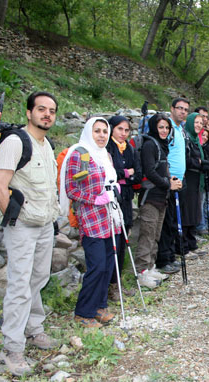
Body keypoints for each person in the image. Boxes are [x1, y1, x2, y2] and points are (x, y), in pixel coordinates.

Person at [0, 91, 60, 376]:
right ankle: (12, 348)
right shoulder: (14, 142)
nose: (47, 114)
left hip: (44, 224)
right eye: (41, 109)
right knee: (20, 284)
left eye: (52, 111)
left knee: (38, 277)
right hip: (22, 226)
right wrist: (14, 220)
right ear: (29, 112)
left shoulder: (47, 144)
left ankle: (34, 329)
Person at [61, 117, 119, 329]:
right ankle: (83, 312)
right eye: (97, 131)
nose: (102, 135)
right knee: (97, 266)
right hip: (91, 218)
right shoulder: (80, 154)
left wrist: (115, 189)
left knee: (108, 265)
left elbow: (111, 180)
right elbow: (72, 189)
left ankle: (99, 306)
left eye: (105, 131)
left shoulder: (106, 155)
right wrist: (95, 198)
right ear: (88, 132)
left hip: (110, 218)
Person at [135, 114, 181, 289]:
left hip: (162, 197)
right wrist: (168, 184)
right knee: (147, 235)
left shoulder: (162, 146)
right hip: (150, 197)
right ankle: (141, 272)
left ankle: (150, 267)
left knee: (155, 235)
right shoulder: (149, 145)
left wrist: (172, 180)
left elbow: (162, 170)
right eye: (161, 127)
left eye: (167, 128)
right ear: (154, 127)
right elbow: (150, 172)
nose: (164, 131)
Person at [106, 115, 141, 301]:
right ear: (112, 128)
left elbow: (139, 172)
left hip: (126, 199)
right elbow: (110, 174)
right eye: (120, 129)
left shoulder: (130, 149)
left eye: (126, 130)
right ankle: (110, 285)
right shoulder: (107, 148)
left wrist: (124, 176)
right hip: (113, 200)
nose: (123, 133)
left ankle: (117, 283)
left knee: (123, 241)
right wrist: (127, 174)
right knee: (115, 242)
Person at [155, 97, 189, 274]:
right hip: (169, 180)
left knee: (174, 220)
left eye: (185, 109)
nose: (182, 112)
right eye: (180, 108)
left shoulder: (180, 129)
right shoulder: (167, 128)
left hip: (179, 180)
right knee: (167, 221)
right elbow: (163, 153)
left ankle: (170, 255)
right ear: (172, 109)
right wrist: (169, 178)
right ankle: (163, 259)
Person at [180, 112, 205, 259]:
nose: (199, 125)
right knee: (187, 212)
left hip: (196, 180)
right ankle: (184, 246)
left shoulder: (195, 140)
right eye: (196, 122)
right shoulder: (186, 138)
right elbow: (186, 160)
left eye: (201, 123)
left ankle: (191, 242)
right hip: (188, 178)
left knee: (194, 211)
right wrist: (200, 164)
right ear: (190, 122)